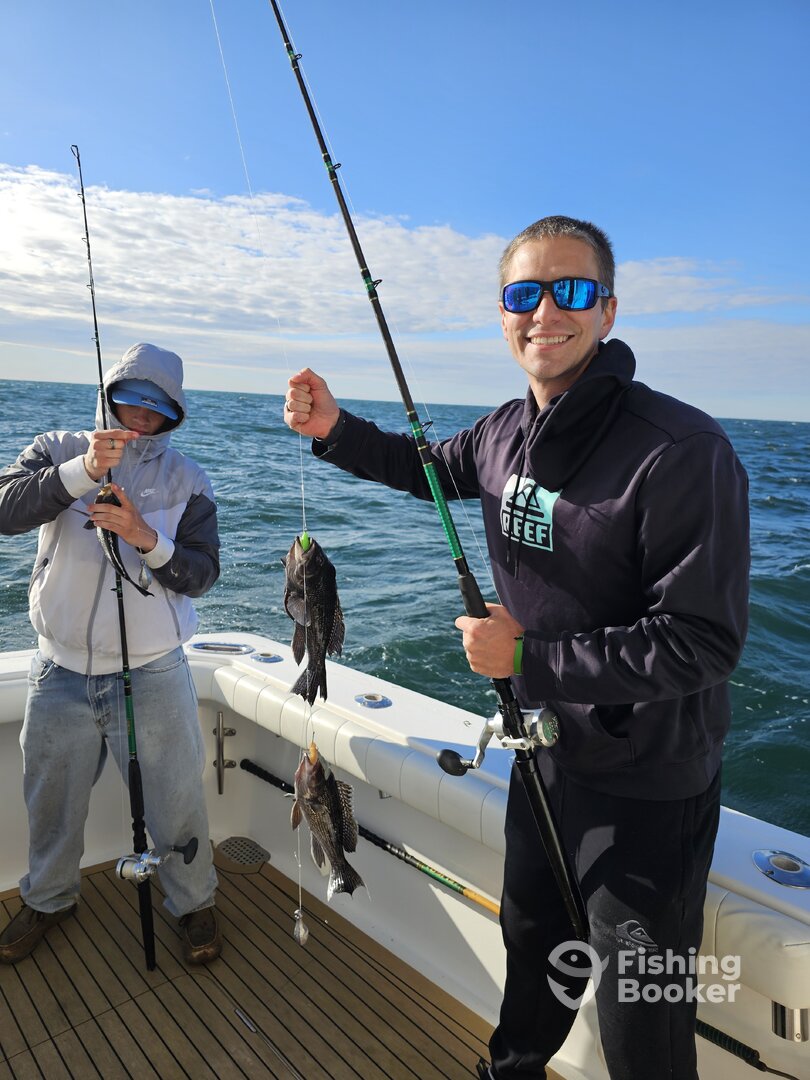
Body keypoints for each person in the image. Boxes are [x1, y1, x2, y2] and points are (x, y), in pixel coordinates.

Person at [282, 216, 750, 1079]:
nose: (545, 312)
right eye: (524, 293)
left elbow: (702, 643)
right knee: (531, 947)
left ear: (608, 309)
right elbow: (423, 468)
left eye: (571, 290)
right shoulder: (503, 433)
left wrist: (528, 658)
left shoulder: (682, 450)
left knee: (640, 1012)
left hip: (647, 785)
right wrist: (335, 428)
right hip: (543, 759)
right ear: (503, 313)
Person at [0, 342, 222, 967]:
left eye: (158, 409)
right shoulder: (56, 449)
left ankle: (194, 901)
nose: (141, 418)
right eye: (131, 401)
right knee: (51, 800)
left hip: (154, 670)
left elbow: (202, 573)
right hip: (58, 669)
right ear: (109, 395)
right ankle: (47, 899)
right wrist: (81, 473)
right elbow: (4, 509)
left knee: (176, 799)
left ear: (174, 414)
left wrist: (146, 538)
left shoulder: (189, 480)